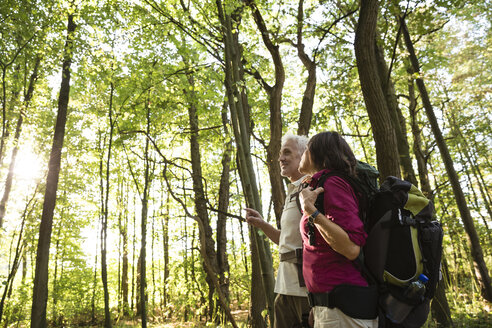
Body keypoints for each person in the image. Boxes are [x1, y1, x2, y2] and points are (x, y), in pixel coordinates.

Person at [298, 131, 378, 328]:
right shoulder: (320, 184)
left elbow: (351, 248)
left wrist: (312, 212)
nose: (303, 153)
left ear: (320, 155)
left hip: (344, 310)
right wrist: (317, 306)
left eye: (307, 148)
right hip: (333, 309)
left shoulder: (332, 183)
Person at [245, 133, 310, 328]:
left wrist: (318, 296)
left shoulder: (310, 190)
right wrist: (262, 224)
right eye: (281, 153)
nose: (280, 158)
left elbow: (321, 243)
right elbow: (287, 241)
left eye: (287, 153)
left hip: (305, 291)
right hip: (284, 288)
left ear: (303, 156)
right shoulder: (292, 192)